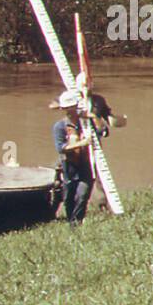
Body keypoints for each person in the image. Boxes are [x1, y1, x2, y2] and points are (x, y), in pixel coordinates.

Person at [51, 89, 95, 223]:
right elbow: (61, 148)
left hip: (85, 165)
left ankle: (77, 223)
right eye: (66, 109)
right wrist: (82, 143)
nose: (69, 112)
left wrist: (95, 117)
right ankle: (71, 221)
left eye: (71, 108)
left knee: (83, 195)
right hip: (69, 166)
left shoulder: (86, 124)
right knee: (69, 197)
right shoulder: (59, 126)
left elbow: (101, 131)